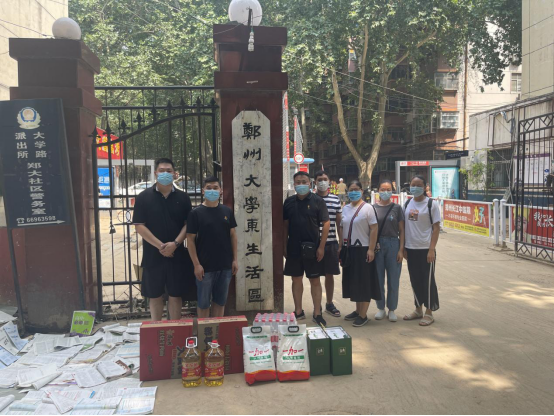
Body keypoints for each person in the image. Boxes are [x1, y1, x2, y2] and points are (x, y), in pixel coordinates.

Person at [133, 158, 193, 321]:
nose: (165, 173)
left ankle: (175, 329)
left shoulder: (183, 198)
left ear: (174, 174)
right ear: (155, 173)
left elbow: (188, 225)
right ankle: (157, 328)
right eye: (162, 170)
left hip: (177, 254)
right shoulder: (144, 197)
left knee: (175, 294)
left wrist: (175, 244)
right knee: (154, 295)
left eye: (169, 171)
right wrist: (161, 246)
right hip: (153, 254)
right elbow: (139, 226)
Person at [187, 176, 238, 318]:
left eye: (215, 188)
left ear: (221, 191)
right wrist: (196, 264)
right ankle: (204, 331)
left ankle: (216, 330)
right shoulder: (195, 213)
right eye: (208, 188)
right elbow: (190, 240)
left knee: (220, 302)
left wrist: (235, 259)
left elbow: (233, 236)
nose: (212, 191)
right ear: (203, 191)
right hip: (205, 268)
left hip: (225, 266)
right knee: (203, 304)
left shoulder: (227, 211)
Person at [284, 171, 330, 326]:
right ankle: (298, 311)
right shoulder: (289, 202)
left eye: (304, 182)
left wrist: (321, 247)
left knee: (315, 280)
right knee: (296, 279)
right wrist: (284, 245)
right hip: (293, 247)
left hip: (313, 248)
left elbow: (326, 223)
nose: (301, 185)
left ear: (310, 183)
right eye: (298, 182)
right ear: (294, 184)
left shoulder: (318, 201)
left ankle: (317, 313)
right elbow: (285, 225)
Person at [339, 179, 381, 327]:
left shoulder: (368, 208)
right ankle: (357, 311)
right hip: (349, 249)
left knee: (364, 282)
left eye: (356, 189)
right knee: (354, 281)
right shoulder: (345, 208)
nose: (353, 192)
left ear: (362, 191)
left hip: (363, 248)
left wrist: (371, 249)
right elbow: (342, 227)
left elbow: (374, 228)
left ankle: (363, 315)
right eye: (351, 190)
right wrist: (340, 245)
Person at [403, 175, 440, 326]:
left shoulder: (431, 204)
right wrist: (403, 248)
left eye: (419, 185)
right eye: (413, 185)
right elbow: (404, 227)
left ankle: (429, 312)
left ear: (425, 187)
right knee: (415, 280)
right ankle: (418, 309)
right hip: (410, 249)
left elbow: (436, 228)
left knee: (428, 281)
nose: (415, 187)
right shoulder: (407, 203)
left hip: (426, 249)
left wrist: (432, 249)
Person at [373, 179, 405, 322]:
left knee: (393, 279)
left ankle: (392, 309)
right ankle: (381, 308)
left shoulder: (397, 208)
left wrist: (401, 250)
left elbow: (402, 230)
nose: (385, 192)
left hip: (393, 244)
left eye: (388, 189)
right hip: (378, 245)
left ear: (392, 191)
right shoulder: (373, 208)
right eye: (382, 189)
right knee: (378, 278)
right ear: (378, 190)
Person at [314, 171, 342, 317]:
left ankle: (329, 303)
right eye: (320, 179)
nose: (322, 182)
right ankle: (317, 305)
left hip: (331, 243)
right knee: (315, 276)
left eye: (325, 179)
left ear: (329, 181)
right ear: (315, 182)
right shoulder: (311, 199)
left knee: (329, 275)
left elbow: (339, 223)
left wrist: (341, 243)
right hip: (314, 243)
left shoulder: (335, 200)